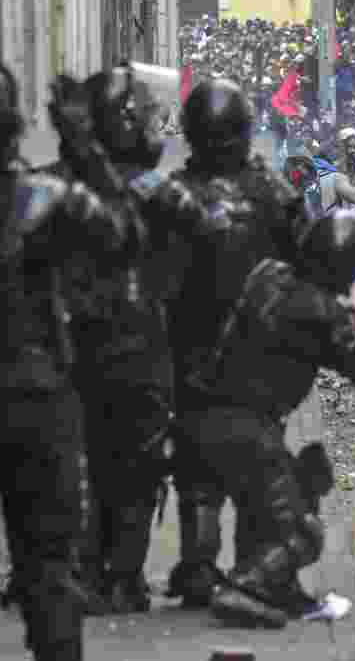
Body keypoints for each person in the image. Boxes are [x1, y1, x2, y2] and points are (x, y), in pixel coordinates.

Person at [35, 66, 195, 615]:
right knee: (135, 470)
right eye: (149, 118)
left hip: (68, 353)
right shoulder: (157, 192)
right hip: (136, 352)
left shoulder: (48, 182)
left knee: (76, 466)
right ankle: (121, 577)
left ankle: (80, 574)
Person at [0, 64, 144, 661]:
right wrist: (83, 146)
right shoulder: (46, 197)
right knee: (50, 564)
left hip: (40, 391)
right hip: (35, 396)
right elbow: (126, 236)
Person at [192, 209, 355, 628]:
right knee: (302, 532)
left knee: (265, 512)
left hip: (203, 415)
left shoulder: (267, 273)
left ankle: (273, 593)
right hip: (248, 427)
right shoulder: (324, 314)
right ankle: (245, 586)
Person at [165, 79, 310, 609]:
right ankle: (253, 567)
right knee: (258, 458)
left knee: (196, 462)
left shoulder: (174, 193)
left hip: (189, 351)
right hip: (257, 355)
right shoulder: (273, 192)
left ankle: (199, 566)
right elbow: (307, 262)